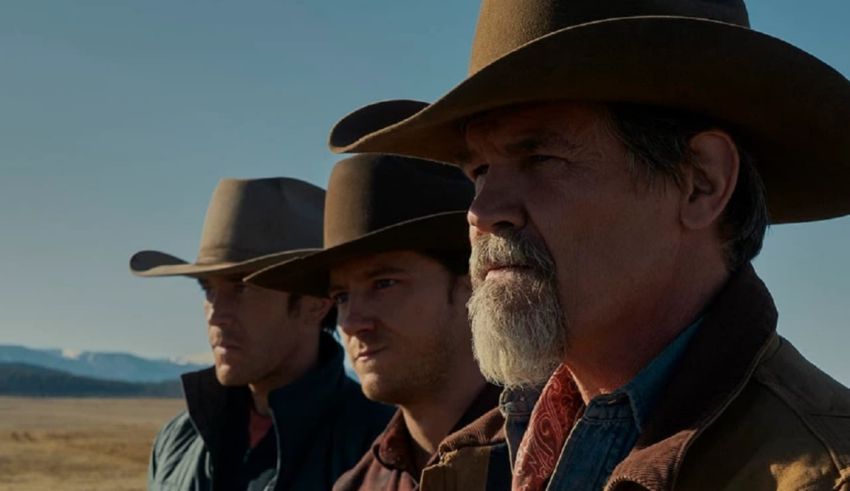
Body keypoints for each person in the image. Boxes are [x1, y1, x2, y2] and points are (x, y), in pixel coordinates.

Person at [324, 1, 850, 489]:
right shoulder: (485, 455)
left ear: (700, 182)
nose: (482, 212)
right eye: (479, 171)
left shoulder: (821, 473)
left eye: (540, 159)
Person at [248, 154, 509, 490]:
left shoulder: (555, 458)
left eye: (384, 283)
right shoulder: (359, 484)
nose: (353, 322)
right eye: (341, 297)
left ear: (470, 286)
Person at [131, 177, 392, 490]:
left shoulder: (381, 448)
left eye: (241, 288)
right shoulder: (177, 439)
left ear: (315, 305)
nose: (217, 313)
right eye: (208, 289)